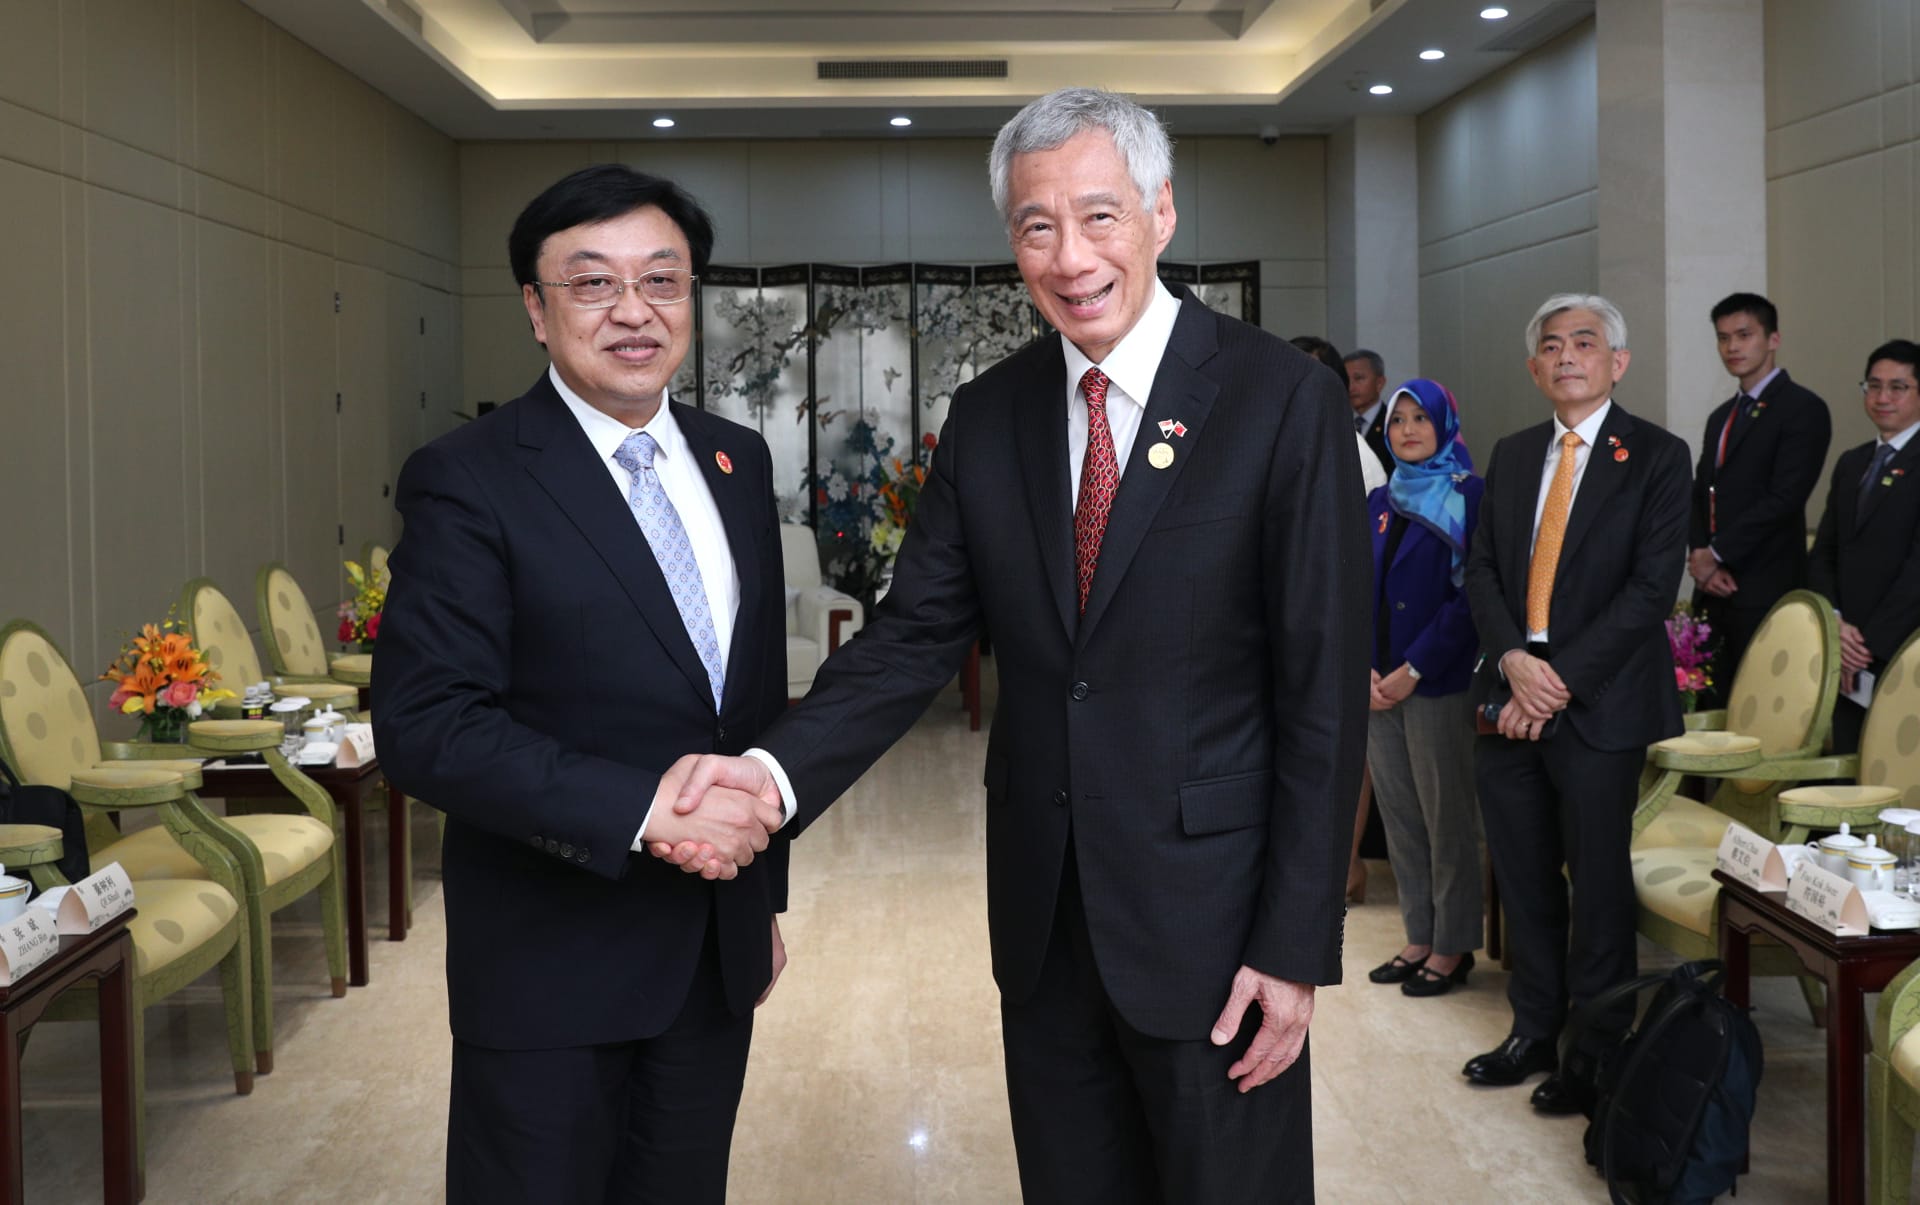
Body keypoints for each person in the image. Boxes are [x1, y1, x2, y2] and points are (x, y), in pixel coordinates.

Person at [662, 87, 1369, 1201]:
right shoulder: (991, 414)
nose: (1071, 255)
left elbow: (1323, 691)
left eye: (1099, 216)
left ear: (1161, 214)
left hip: (1216, 923)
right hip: (1044, 924)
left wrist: (1296, 942)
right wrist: (767, 776)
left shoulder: (1280, 399)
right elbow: (911, 639)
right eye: (1038, 225)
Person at [372, 164, 792, 1204]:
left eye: (663, 280)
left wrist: (763, 898)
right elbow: (427, 722)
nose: (635, 311)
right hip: (551, 961)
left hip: (710, 947)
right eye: (594, 284)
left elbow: (744, 704)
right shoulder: (469, 475)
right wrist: (641, 808)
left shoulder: (736, 460)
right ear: (535, 307)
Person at [1461, 293, 1690, 1115]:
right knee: (1523, 878)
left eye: (1584, 343)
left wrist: (1554, 682)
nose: (1566, 356)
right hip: (1512, 692)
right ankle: (1532, 1028)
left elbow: (1649, 591)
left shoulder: (1658, 455)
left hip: (1600, 703)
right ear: (1533, 368)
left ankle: (1595, 1050)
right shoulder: (1515, 452)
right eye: (1551, 346)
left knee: (1596, 886)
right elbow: (1481, 568)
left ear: (1617, 362)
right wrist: (1517, 662)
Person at [1362, 379, 1484, 998]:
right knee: (1403, 816)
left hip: (1438, 681)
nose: (1408, 430)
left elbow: (1473, 600)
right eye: (1398, 420)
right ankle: (1418, 934)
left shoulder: (1469, 496)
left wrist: (1415, 668)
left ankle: (1453, 943)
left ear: (1445, 424)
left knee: (1448, 819)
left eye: (1420, 419)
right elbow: (1354, 587)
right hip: (1377, 684)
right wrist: (1367, 670)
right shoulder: (1379, 499)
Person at [1686, 293, 1830, 706]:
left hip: (1767, 585)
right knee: (1708, 709)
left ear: (1773, 339)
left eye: (1744, 335)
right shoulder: (1722, 416)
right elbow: (1700, 493)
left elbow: (1785, 497)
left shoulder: (1802, 408)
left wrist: (1717, 552)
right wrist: (1699, 556)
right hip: (1712, 591)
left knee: (1763, 709)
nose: (1732, 347)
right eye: (1723, 338)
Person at [1292, 334, 1386, 901]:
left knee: (1341, 752)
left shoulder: (1358, 456)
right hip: (1295, 621)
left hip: (1342, 623)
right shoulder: (1287, 439)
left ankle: (1346, 865)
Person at [1808, 338, 1920, 753]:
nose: (1882, 397)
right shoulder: (1852, 462)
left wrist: (1867, 644)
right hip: (1847, 648)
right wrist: (1836, 623)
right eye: (1873, 386)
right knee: (1850, 761)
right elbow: (1825, 553)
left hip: (1902, 648)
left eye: (1897, 387)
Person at [1345, 348, 1395, 474]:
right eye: (1346, 379)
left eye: (1359, 378)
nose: (1350, 387)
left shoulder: (1392, 424)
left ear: (1379, 383)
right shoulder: (1339, 423)